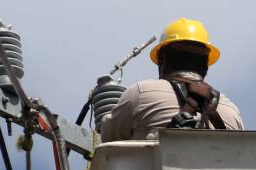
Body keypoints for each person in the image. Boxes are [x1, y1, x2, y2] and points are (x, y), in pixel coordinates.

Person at [101, 18, 244, 141]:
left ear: (162, 61)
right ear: (205, 66)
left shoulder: (141, 93)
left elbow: (108, 140)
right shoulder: (231, 111)